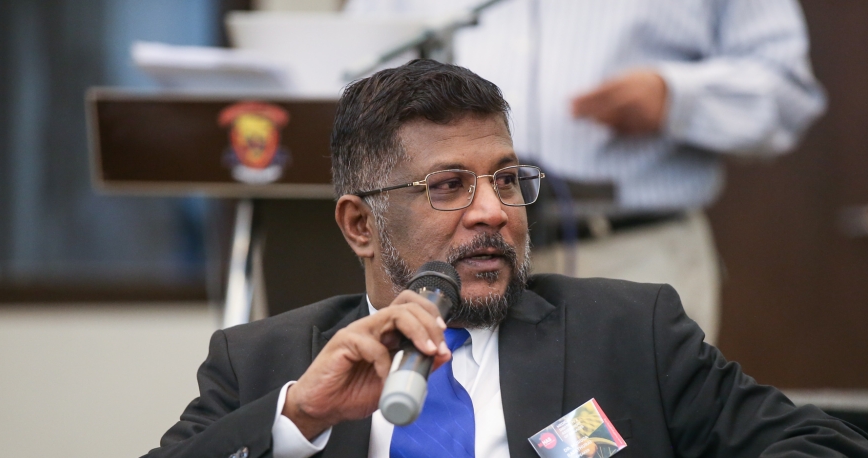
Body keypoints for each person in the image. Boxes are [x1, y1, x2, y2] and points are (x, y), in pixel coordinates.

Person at [76, 61, 868, 458]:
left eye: (506, 179)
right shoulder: (267, 362)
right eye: (449, 187)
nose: (493, 212)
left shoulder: (623, 332)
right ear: (361, 225)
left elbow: (833, 452)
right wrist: (296, 418)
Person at [344, 0, 828, 343]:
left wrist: (676, 98)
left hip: (626, 253)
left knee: (626, 448)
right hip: (442, 259)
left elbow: (788, 93)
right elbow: (345, 72)